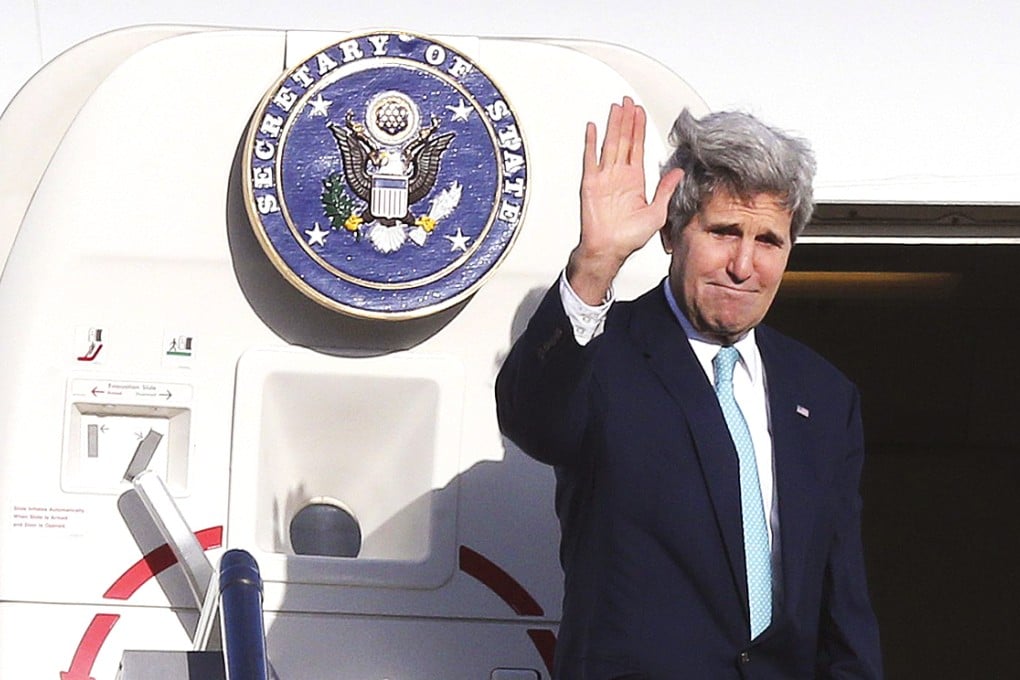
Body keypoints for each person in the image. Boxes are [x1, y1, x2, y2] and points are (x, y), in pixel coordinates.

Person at [495, 97, 882, 679]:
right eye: (724, 232)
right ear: (673, 234)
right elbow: (532, 419)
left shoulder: (823, 395)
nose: (744, 265)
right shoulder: (606, 351)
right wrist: (595, 263)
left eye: (769, 241)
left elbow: (842, 599)